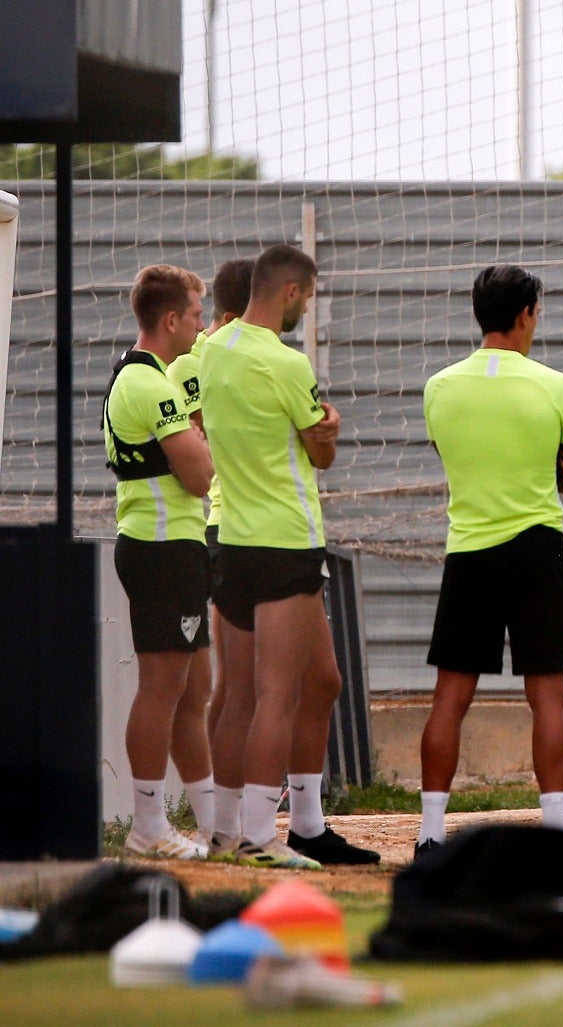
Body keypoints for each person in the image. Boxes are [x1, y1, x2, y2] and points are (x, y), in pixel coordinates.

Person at [201, 243, 377, 869]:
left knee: (252, 691)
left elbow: (194, 418)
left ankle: (223, 832)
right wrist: (326, 427)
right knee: (277, 694)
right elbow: (321, 453)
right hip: (284, 539)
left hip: (227, 538)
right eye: (309, 296)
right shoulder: (287, 363)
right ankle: (258, 836)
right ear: (292, 293)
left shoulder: (207, 351)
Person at [415, 265, 563, 858]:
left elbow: (449, 452)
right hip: (536, 548)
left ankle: (431, 835)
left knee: (450, 698)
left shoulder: (439, 387)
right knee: (548, 697)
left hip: (468, 550)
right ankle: (556, 838)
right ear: (524, 315)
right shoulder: (555, 385)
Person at [104, 264, 216, 859]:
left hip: (172, 547)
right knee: (163, 687)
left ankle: (212, 824)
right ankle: (148, 825)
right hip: (161, 548)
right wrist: (201, 442)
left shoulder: (146, 378)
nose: (202, 326)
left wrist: (198, 440)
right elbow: (200, 476)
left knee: (194, 687)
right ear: (170, 319)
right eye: (198, 314)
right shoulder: (151, 384)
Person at [166, 257, 253, 858]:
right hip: (223, 529)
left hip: (240, 529)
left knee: (284, 681)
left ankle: (245, 817)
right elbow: (201, 446)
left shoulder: (231, 358)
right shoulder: (193, 364)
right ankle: (224, 821)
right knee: (220, 685)